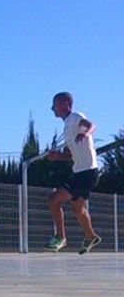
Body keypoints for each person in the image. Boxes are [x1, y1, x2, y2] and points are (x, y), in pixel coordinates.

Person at [46, 92, 101, 254]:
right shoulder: (67, 126)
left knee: (53, 200)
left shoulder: (76, 117)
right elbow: (72, 154)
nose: (52, 109)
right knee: (78, 209)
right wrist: (57, 157)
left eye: (54, 104)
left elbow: (92, 125)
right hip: (81, 172)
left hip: (87, 173)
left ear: (65, 103)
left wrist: (86, 132)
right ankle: (91, 236)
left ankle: (60, 237)